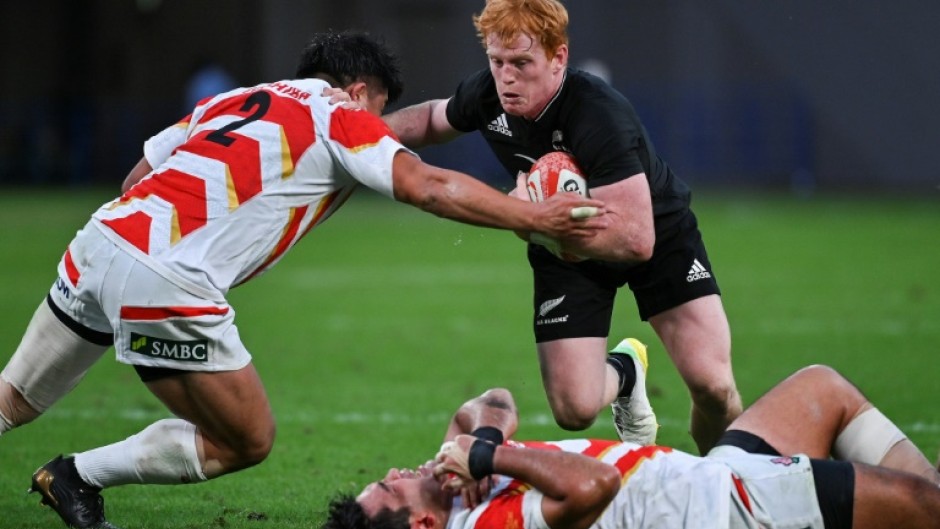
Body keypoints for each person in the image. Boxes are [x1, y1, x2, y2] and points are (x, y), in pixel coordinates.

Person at [0, 31, 606, 529]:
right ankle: (78, 474)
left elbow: (137, 180)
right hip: (164, 276)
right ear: (360, 91)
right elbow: (428, 186)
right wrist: (534, 217)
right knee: (245, 439)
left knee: (14, 398)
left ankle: (72, 475)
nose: (378, 129)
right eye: (377, 113)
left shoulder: (235, 100)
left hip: (100, 242)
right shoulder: (341, 115)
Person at [382, 0, 742, 454]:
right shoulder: (490, 94)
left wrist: (531, 223)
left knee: (713, 386)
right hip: (563, 250)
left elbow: (636, 239)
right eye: (496, 62)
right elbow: (434, 118)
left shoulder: (598, 113)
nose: (506, 76)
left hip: (655, 230)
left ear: (559, 57)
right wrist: (357, 132)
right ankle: (626, 373)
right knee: (575, 409)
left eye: (521, 63)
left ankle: (726, 485)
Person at [327, 362, 940, 529]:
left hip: (705, 475)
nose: (393, 470)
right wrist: (489, 456)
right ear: (423, 526)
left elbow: (491, 399)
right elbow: (597, 485)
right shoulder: (486, 522)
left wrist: (481, 438)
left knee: (822, 388)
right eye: (389, 486)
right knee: (924, 509)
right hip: (729, 512)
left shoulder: (453, 481)